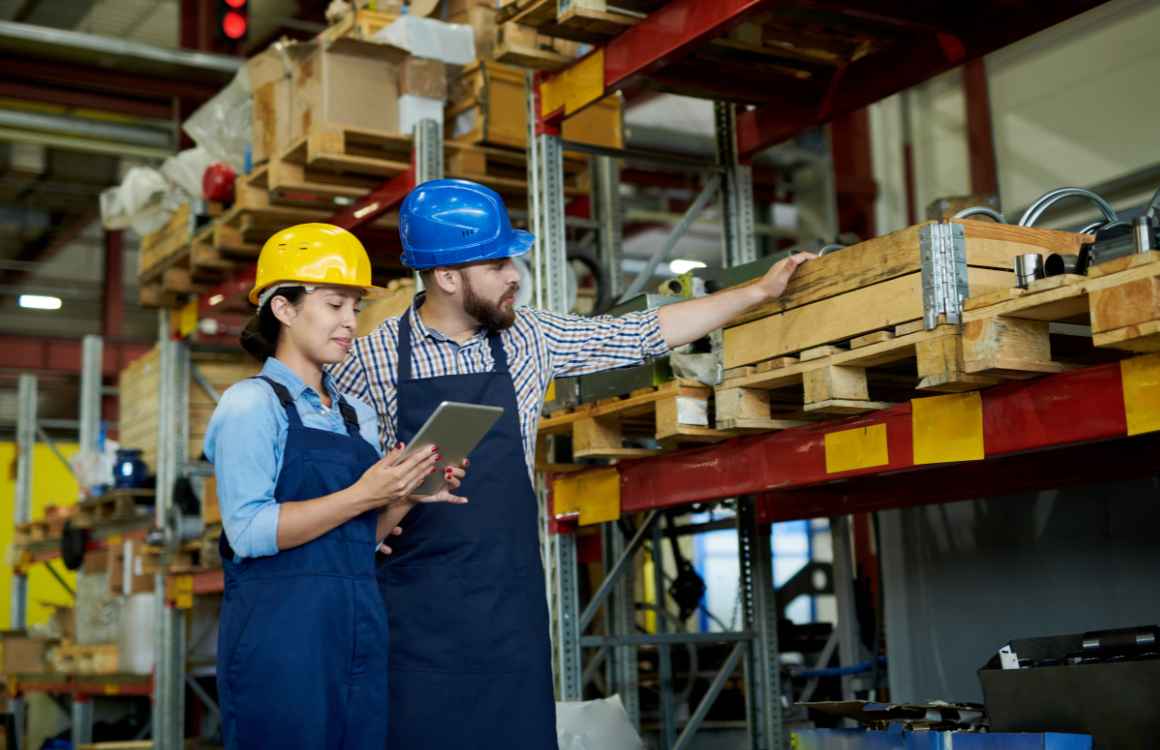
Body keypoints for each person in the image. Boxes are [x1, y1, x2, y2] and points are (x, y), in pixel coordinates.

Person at [329, 179, 813, 748]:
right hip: (414, 618)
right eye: (497, 263)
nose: (515, 274)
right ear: (448, 276)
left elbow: (640, 334)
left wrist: (756, 293)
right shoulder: (367, 361)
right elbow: (337, 474)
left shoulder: (529, 338)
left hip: (510, 609)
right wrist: (365, 515)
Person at [205, 223, 468, 749]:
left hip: (356, 629)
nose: (351, 322)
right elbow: (249, 531)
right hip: (280, 639)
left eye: (354, 306)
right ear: (283, 308)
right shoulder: (251, 405)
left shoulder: (355, 417)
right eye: (334, 305)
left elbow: (356, 539)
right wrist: (364, 494)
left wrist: (406, 495)